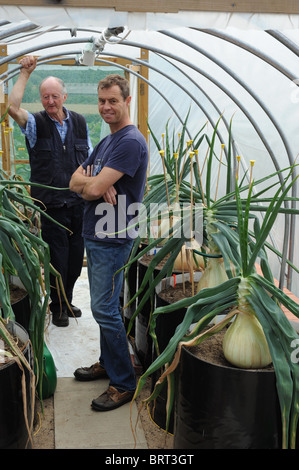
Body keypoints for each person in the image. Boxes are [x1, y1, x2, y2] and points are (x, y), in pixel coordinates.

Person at [69, 74, 148, 411]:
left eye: (112, 100)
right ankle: (109, 362)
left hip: (113, 237)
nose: (105, 107)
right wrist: (91, 183)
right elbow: (74, 180)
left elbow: (92, 188)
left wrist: (94, 185)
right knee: (108, 307)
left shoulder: (130, 141)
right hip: (97, 233)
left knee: (103, 308)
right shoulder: (106, 141)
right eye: (102, 101)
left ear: (126, 101)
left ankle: (123, 382)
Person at [8, 55, 93, 327]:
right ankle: (58, 308)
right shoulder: (35, 123)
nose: (50, 102)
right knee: (58, 258)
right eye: (45, 97)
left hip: (78, 203)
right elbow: (11, 107)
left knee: (75, 257)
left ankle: (66, 300)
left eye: (55, 96)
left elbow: (89, 159)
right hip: (51, 206)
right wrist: (24, 73)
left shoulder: (79, 122)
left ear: (64, 96)